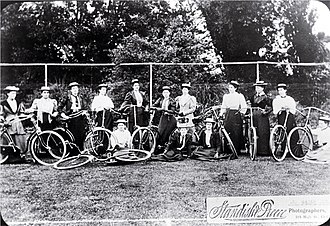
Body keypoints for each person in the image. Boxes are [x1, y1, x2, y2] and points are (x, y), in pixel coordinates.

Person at [57, 82, 88, 151]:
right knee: (72, 135)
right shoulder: (67, 98)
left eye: (76, 88)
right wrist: (63, 115)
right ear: (70, 90)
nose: (75, 90)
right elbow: (59, 107)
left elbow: (85, 107)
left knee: (81, 134)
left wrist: (84, 111)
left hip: (80, 118)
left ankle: (81, 150)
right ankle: (72, 151)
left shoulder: (81, 98)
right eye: (73, 89)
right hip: (71, 118)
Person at [272, 83, 301, 155]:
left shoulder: (290, 99)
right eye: (279, 90)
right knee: (282, 131)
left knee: (291, 131)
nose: (280, 92)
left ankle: (293, 151)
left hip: (289, 116)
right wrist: (280, 109)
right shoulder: (276, 99)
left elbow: (293, 109)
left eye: (281, 90)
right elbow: (275, 110)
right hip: (281, 116)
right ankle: (283, 149)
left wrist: (288, 108)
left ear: (285, 90)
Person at [219, 80, 247, 154]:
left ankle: (236, 149)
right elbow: (223, 106)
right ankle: (227, 149)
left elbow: (244, 106)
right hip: (228, 114)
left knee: (236, 132)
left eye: (231, 87)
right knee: (227, 130)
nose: (230, 89)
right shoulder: (226, 96)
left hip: (236, 114)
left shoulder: (239, 96)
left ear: (235, 88)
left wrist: (241, 113)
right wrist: (221, 114)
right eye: (229, 87)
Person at [0, 86, 27, 154]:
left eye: (15, 94)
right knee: (9, 138)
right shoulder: (3, 104)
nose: (13, 95)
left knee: (20, 137)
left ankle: (20, 154)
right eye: (12, 93)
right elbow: (1, 114)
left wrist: (24, 116)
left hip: (17, 122)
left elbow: (21, 113)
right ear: (8, 94)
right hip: (9, 122)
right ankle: (9, 156)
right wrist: (3, 121)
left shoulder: (18, 103)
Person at [249, 81, 272, 156]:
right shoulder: (253, 97)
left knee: (263, 132)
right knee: (254, 132)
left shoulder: (266, 97)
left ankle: (263, 151)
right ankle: (255, 150)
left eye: (259, 87)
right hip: (254, 115)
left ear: (262, 88)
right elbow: (251, 105)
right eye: (256, 87)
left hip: (262, 117)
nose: (257, 89)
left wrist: (265, 111)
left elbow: (270, 107)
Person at [152, 86, 177, 154]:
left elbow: (173, 111)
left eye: (167, 92)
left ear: (169, 93)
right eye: (164, 92)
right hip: (163, 117)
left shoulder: (172, 100)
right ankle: (157, 148)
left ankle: (167, 148)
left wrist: (164, 110)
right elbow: (154, 105)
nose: (165, 94)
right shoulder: (160, 99)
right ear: (162, 93)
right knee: (160, 132)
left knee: (167, 133)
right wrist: (151, 108)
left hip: (170, 118)